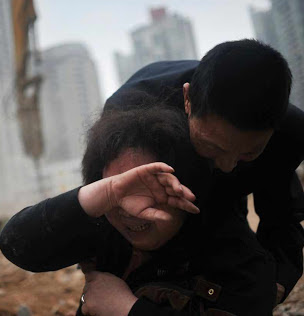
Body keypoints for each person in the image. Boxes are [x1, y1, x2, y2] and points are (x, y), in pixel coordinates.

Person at [89, 39, 304, 315]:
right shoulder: (132, 119)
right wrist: (106, 287)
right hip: (159, 209)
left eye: (249, 153)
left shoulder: (290, 133)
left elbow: (282, 215)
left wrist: (276, 283)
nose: (227, 166)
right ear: (187, 100)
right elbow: (106, 205)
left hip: (223, 205)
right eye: (213, 146)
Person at [0, 107, 241, 315]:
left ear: (187, 186)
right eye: (118, 189)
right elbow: (17, 245)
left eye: (150, 191)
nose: (131, 211)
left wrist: (125, 309)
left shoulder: (234, 259)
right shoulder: (104, 227)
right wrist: (104, 195)